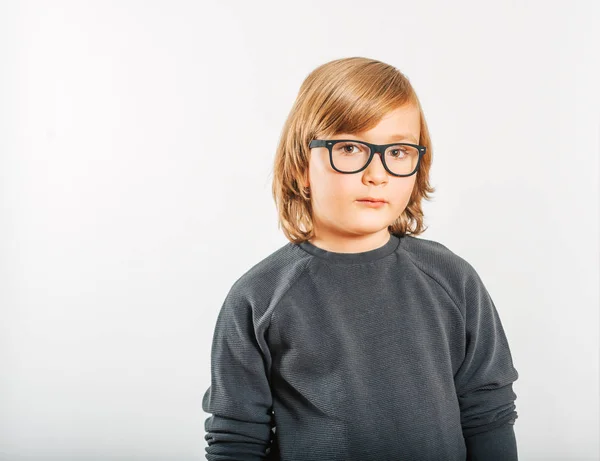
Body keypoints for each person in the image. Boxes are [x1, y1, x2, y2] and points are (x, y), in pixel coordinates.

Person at [201, 56, 519, 461]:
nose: (377, 173)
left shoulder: (453, 280)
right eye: (350, 147)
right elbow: (237, 438)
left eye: (399, 151)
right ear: (302, 166)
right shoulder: (258, 297)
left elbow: (487, 412)